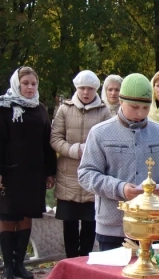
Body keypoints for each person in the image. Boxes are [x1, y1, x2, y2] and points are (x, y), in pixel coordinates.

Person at [78, 73, 159, 251]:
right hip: (113, 227)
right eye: (134, 107)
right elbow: (86, 174)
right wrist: (120, 188)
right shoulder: (100, 133)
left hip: (153, 224)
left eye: (145, 107)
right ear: (121, 101)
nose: (140, 113)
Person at [0, 66, 57, 279]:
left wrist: (50, 172)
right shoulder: (4, 108)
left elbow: (47, 142)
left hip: (34, 174)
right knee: (7, 217)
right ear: (17, 84)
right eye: (26, 84)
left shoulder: (40, 109)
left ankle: (19, 264)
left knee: (26, 216)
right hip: (10, 173)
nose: (30, 88)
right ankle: (7, 266)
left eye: (34, 84)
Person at [51, 70, 112, 258]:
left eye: (90, 89)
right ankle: (70, 261)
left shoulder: (104, 111)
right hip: (68, 174)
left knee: (89, 223)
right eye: (82, 88)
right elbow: (55, 138)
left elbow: (108, 139)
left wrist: (90, 150)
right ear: (77, 88)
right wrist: (74, 150)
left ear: (96, 89)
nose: (86, 92)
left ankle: (84, 260)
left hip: (93, 175)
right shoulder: (64, 109)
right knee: (69, 223)